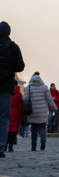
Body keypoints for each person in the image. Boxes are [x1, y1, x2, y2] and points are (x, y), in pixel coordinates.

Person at [0, 21, 26, 158]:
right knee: (4, 118)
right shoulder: (13, 47)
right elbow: (20, 67)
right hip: (5, 87)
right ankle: (0, 146)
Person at [23, 72, 57, 151]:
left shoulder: (29, 87)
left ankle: (33, 146)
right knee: (42, 127)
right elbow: (49, 100)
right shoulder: (44, 87)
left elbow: (24, 99)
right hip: (42, 112)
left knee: (34, 129)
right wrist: (55, 108)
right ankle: (43, 139)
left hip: (32, 112)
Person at [7, 81, 24, 152]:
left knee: (5, 129)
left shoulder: (6, 92)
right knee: (13, 131)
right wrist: (22, 117)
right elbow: (21, 107)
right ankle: (11, 146)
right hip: (16, 114)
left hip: (6, 111)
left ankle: (3, 145)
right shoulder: (19, 95)